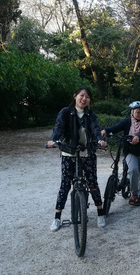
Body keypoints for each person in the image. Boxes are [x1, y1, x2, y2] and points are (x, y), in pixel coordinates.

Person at [47, 87, 107, 231]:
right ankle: (57, 218)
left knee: (93, 183)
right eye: (81, 95)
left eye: (87, 97)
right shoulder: (65, 112)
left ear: (89, 100)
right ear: (75, 96)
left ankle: (100, 213)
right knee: (65, 185)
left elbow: (95, 129)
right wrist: (53, 140)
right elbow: (59, 127)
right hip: (69, 153)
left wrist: (100, 140)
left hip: (88, 153)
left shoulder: (90, 114)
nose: (84, 99)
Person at [101, 101, 140, 207]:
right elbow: (116, 128)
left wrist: (139, 136)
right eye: (138, 112)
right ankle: (134, 193)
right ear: (132, 112)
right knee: (133, 170)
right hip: (130, 151)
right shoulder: (127, 122)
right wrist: (105, 130)